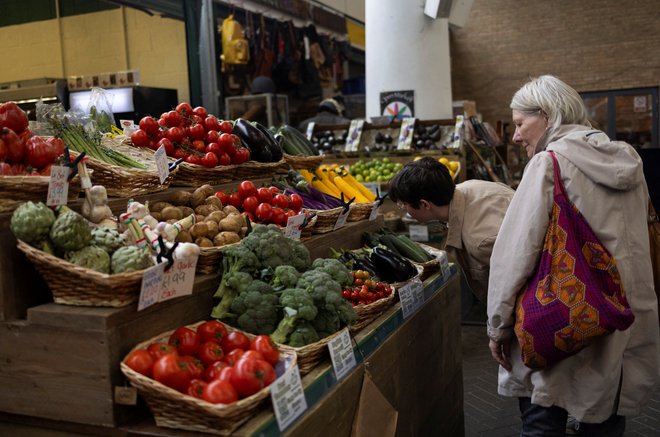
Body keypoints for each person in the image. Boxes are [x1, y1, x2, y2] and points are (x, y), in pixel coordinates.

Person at [487, 75, 660, 436]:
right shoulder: (630, 162)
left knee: (543, 416)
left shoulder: (547, 164)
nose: (516, 135)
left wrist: (498, 325)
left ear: (548, 115)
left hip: (560, 316)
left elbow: (516, 253)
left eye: (520, 123)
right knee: (605, 415)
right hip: (620, 314)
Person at [388, 157, 514, 304]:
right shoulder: (469, 187)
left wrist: (498, 326)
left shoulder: (480, 240)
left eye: (403, 204)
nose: (402, 208)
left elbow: (511, 291)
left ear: (424, 204)